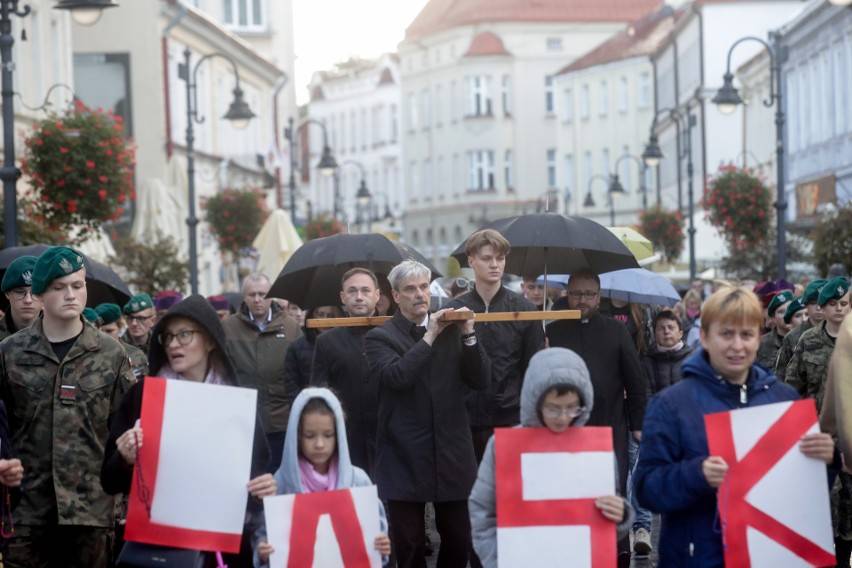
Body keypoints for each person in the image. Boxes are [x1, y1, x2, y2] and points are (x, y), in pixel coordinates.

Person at [634, 286, 835, 567]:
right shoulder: (671, 405)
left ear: (758, 338)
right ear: (705, 337)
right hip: (698, 557)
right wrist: (696, 474)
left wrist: (825, 461)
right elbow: (646, 489)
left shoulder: (784, 400)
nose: (737, 346)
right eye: (726, 334)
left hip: (769, 556)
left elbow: (804, 495)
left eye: (746, 334)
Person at [101, 295, 276, 568]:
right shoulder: (143, 397)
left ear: (210, 341)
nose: (173, 344)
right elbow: (109, 480)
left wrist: (263, 489)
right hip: (158, 550)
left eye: (184, 335)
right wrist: (124, 458)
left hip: (222, 550)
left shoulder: (236, 402)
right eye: (168, 337)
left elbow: (256, 475)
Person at [0, 246, 136, 567]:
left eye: (77, 285)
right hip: (28, 510)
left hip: (91, 511)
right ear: (40, 293)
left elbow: (127, 427)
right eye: (59, 287)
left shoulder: (111, 354)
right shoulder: (10, 353)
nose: (71, 295)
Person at [365, 259, 491, 568]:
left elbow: (481, 380)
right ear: (396, 296)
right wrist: (429, 336)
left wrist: (469, 334)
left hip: (451, 451)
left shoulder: (452, 328)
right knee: (408, 546)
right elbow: (397, 377)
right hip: (403, 454)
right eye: (410, 289)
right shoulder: (379, 338)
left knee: (459, 539)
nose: (420, 294)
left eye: (424, 287)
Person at [469, 347, 632, 567]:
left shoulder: (595, 452)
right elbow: (482, 513)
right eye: (553, 409)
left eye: (572, 408)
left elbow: (606, 515)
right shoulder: (502, 448)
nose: (563, 417)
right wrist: (499, 559)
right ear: (535, 402)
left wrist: (621, 516)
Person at [255, 387, 392, 565]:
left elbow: (377, 535)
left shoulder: (359, 481)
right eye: (309, 436)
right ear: (297, 436)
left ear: (338, 435)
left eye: (328, 435)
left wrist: (381, 547)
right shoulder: (280, 483)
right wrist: (263, 551)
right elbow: (264, 534)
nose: (319, 444)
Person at [545, 271, 647, 500]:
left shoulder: (617, 330)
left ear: (598, 297)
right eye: (576, 294)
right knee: (571, 494)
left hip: (609, 424)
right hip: (566, 427)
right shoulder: (552, 332)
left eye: (588, 294)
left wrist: (638, 424)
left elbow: (635, 380)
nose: (582, 300)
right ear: (567, 294)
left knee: (611, 493)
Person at [451, 229, 544, 462]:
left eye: (500, 258)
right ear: (471, 261)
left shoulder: (525, 310)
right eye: (487, 258)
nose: (494, 265)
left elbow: (533, 368)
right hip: (464, 419)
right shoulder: (454, 311)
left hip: (511, 417)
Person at [223, 273, 302, 471]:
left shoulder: (291, 327)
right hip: (243, 422)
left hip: (281, 423)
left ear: (271, 296)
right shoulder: (227, 328)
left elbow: (300, 372)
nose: (257, 299)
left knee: (279, 479)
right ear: (244, 297)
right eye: (252, 295)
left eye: (262, 294)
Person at [632, 308, 693, 554]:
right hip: (656, 430)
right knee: (646, 477)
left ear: (680, 331)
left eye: (670, 327)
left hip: (686, 430)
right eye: (661, 328)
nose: (666, 332)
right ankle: (643, 528)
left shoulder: (693, 358)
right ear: (654, 333)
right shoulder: (646, 360)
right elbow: (644, 394)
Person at [311, 268, 383, 475]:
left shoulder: (393, 333)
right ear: (343, 297)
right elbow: (319, 392)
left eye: (365, 290)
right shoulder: (326, 342)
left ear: (377, 295)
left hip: (389, 440)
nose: (359, 297)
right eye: (352, 291)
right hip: (346, 440)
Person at [785, 277, 850, 410]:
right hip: (817, 417)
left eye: (843, 304)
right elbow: (793, 384)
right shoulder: (808, 339)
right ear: (823, 307)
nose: (839, 308)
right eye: (832, 304)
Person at [284, 305, 342, 397]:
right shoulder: (296, 347)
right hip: (308, 401)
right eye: (321, 315)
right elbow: (291, 384)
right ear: (312, 316)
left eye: (330, 316)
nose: (325, 320)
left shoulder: (344, 343)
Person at [775, 279, 826, 381]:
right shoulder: (792, 337)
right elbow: (781, 376)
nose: (818, 307)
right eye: (813, 303)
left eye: (822, 302)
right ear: (806, 305)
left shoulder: (841, 332)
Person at [95, 303, 149, 379]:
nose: (104, 336)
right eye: (99, 332)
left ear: (120, 328)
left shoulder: (136, 355)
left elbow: (143, 384)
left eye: (109, 331)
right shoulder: (87, 357)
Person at [0, 255, 42, 340]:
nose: (28, 300)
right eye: (20, 292)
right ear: (7, 294)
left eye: (35, 292)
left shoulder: (62, 334)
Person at [755, 289, 795, 369]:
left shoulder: (806, 339)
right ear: (773, 318)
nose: (786, 315)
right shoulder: (761, 343)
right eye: (781, 312)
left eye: (790, 309)